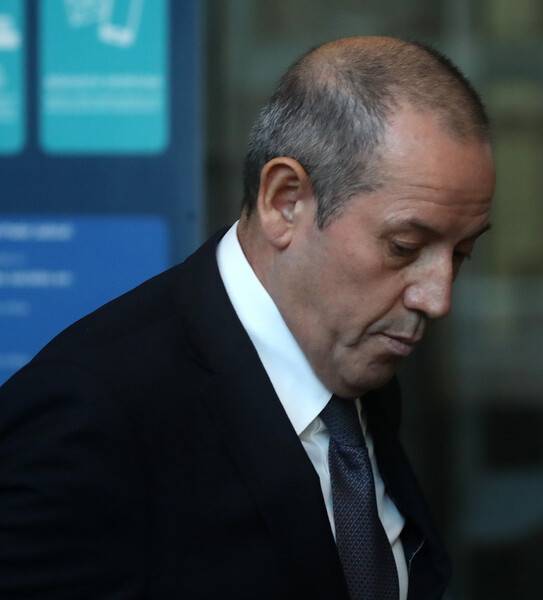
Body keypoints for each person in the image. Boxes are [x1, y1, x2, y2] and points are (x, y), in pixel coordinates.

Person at [0, 36, 494, 600]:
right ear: (285, 201)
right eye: (404, 247)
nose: (437, 298)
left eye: (462, 253)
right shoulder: (87, 415)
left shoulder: (362, 369)